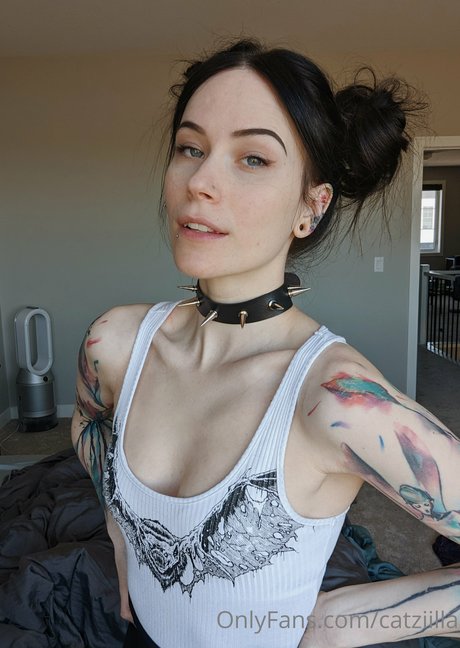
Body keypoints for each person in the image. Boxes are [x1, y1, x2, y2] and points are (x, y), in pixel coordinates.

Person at [71, 39, 459, 648]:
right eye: (190, 148)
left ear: (312, 205)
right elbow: (89, 423)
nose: (200, 181)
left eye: (252, 158)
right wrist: (120, 528)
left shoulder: (335, 400)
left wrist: (341, 625)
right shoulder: (114, 343)